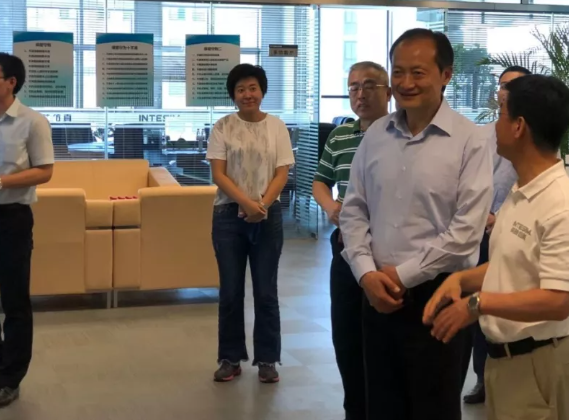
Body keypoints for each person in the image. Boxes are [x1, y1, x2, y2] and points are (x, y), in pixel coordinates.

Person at [340, 29, 493, 420]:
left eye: (419, 72)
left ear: (446, 75)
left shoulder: (470, 141)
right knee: (381, 405)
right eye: (399, 72)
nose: (406, 82)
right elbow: (353, 209)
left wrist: (401, 275)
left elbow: (466, 233)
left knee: (434, 408)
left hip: (440, 297)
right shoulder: (376, 134)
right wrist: (365, 273)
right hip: (376, 295)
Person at [424, 74, 569, 420]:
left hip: (541, 363)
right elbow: (512, 264)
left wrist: (477, 304)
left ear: (519, 126)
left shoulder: (563, 205)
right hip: (506, 360)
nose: (494, 126)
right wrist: (461, 280)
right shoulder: (522, 191)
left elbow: (558, 301)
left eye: (500, 113)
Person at [312, 61, 391, 420]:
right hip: (345, 246)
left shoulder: (400, 134)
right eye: (354, 87)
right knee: (345, 335)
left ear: (388, 92)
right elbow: (320, 181)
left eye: (369, 86)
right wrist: (331, 207)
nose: (361, 94)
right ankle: (354, 409)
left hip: (386, 250)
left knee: (381, 337)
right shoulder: (340, 135)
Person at [207, 64, 294, 385]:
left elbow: (282, 172)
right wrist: (246, 204)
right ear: (233, 94)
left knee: (266, 291)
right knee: (230, 292)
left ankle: (268, 359)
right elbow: (218, 174)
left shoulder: (277, 127)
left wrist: (262, 206)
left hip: (267, 216)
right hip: (228, 217)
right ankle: (230, 359)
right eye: (241, 89)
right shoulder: (222, 127)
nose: (247, 94)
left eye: (253, 88)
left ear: (262, 91)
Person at [0, 53, 54, 410]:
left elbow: (45, 171)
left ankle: (10, 378)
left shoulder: (32, 122)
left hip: (12, 221)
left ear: (10, 82)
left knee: (15, 302)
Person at [463, 66, 528, 406]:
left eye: (515, 86)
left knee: (507, 303)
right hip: (478, 232)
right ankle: (481, 377)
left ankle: (511, 373)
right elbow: (467, 184)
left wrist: (498, 217)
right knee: (479, 307)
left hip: (514, 232)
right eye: (503, 85)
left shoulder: (536, 134)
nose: (506, 91)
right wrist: (481, 217)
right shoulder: (480, 135)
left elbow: (532, 187)